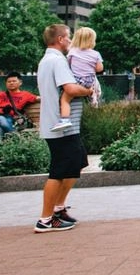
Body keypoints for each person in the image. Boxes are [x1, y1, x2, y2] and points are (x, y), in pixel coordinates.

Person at [34, 24, 93, 232]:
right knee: (58, 172)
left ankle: (58, 209)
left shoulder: (48, 60)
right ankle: (46, 219)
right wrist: (88, 90)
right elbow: (69, 88)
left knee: (77, 162)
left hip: (65, 126)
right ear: (60, 39)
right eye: (68, 37)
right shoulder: (57, 60)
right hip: (61, 127)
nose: (71, 41)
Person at [52, 27, 103, 133]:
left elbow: (68, 65)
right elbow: (99, 69)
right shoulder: (95, 54)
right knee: (90, 91)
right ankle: (93, 99)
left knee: (64, 100)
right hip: (89, 81)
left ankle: (65, 120)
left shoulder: (72, 52)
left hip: (76, 81)